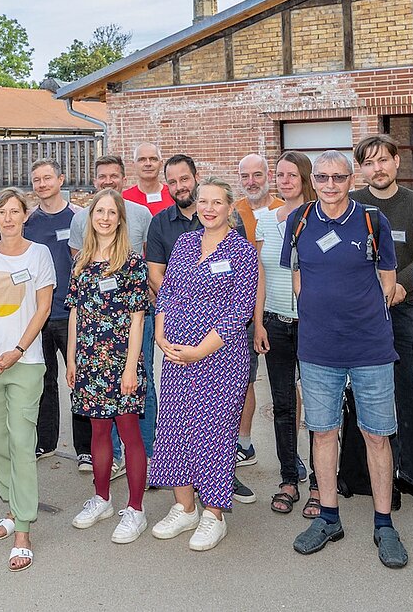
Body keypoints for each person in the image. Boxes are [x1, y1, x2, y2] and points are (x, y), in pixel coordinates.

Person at [282, 151, 408, 569]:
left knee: (376, 435)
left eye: (339, 177)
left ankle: (384, 523)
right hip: (318, 349)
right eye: (323, 177)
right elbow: (297, 276)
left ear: (350, 179)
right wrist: (321, 314)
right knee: (322, 433)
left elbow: (388, 282)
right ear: (312, 180)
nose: (330, 184)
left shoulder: (373, 220)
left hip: (370, 348)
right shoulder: (298, 220)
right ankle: (329, 518)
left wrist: (357, 316)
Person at [148, 177, 258, 551]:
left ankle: (214, 515)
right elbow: (168, 293)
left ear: (230, 208)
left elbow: (238, 311)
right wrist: (161, 335)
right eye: (203, 202)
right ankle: (185, 507)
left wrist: (199, 350)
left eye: (217, 202)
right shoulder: (184, 243)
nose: (209, 208)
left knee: (213, 433)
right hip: (177, 354)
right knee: (176, 428)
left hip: (219, 357)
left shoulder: (242, 252)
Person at [0, 189, 55, 572]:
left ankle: (23, 528)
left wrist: (17, 350)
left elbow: (44, 307)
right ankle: (13, 504)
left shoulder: (39, 254)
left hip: (26, 360)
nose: (8, 218)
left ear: (25, 216)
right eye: (2, 212)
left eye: (15, 212)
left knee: (21, 439)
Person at [351, 135, 413, 510]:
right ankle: (371, 475)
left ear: (397, 161)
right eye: (370, 163)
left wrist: (399, 286)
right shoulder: (352, 203)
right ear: (362, 169)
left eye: (383, 160)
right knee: (369, 396)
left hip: (407, 312)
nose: (378, 169)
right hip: (360, 313)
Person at [65, 189, 150, 544]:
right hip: (87, 362)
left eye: (111, 212)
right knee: (98, 433)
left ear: (120, 219)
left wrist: (131, 367)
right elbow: (74, 312)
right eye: (98, 211)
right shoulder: (82, 262)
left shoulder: (131, 262)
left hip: (120, 361)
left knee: (129, 434)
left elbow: (138, 318)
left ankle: (135, 509)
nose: (104, 217)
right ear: (90, 217)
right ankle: (101, 498)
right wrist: (71, 358)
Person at [68, 154, 154, 472]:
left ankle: (149, 453)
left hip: (128, 330)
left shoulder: (141, 215)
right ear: (95, 180)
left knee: (138, 395)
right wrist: (74, 356)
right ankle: (111, 469)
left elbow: (148, 257)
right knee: (101, 426)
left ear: (122, 178)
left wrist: (130, 364)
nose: (108, 181)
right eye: (102, 176)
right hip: (93, 347)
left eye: (114, 175)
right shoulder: (80, 224)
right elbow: (80, 299)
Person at [252, 151, 314, 515]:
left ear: (305, 178)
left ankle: (321, 485)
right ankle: (289, 477)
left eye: (292, 174)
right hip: (275, 321)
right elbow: (259, 275)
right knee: (283, 405)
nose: (285, 180)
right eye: (280, 175)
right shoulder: (263, 220)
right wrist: (258, 321)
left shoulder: (319, 217)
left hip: (313, 323)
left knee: (320, 407)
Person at [24, 158, 86, 462]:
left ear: (60, 179)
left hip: (72, 313)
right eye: (36, 180)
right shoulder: (29, 223)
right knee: (44, 381)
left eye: (47, 178)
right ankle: (45, 442)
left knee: (78, 381)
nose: (42, 184)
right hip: (40, 315)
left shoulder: (79, 217)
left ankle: (85, 449)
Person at [233, 153, 282, 470]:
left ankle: (290, 455)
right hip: (242, 313)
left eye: (258, 175)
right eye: (245, 176)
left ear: (269, 176)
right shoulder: (232, 211)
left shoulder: (285, 210)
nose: (251, 182)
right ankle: (244, 443)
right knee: (244, 381)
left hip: (279, 310)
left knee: (286, 385)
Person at [123, 142, 174, 214]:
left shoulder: (174, 194)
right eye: (142, 159)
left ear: (161, 164)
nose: (148, 164)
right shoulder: (124, 199)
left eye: (153, 159)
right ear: (134, 165)